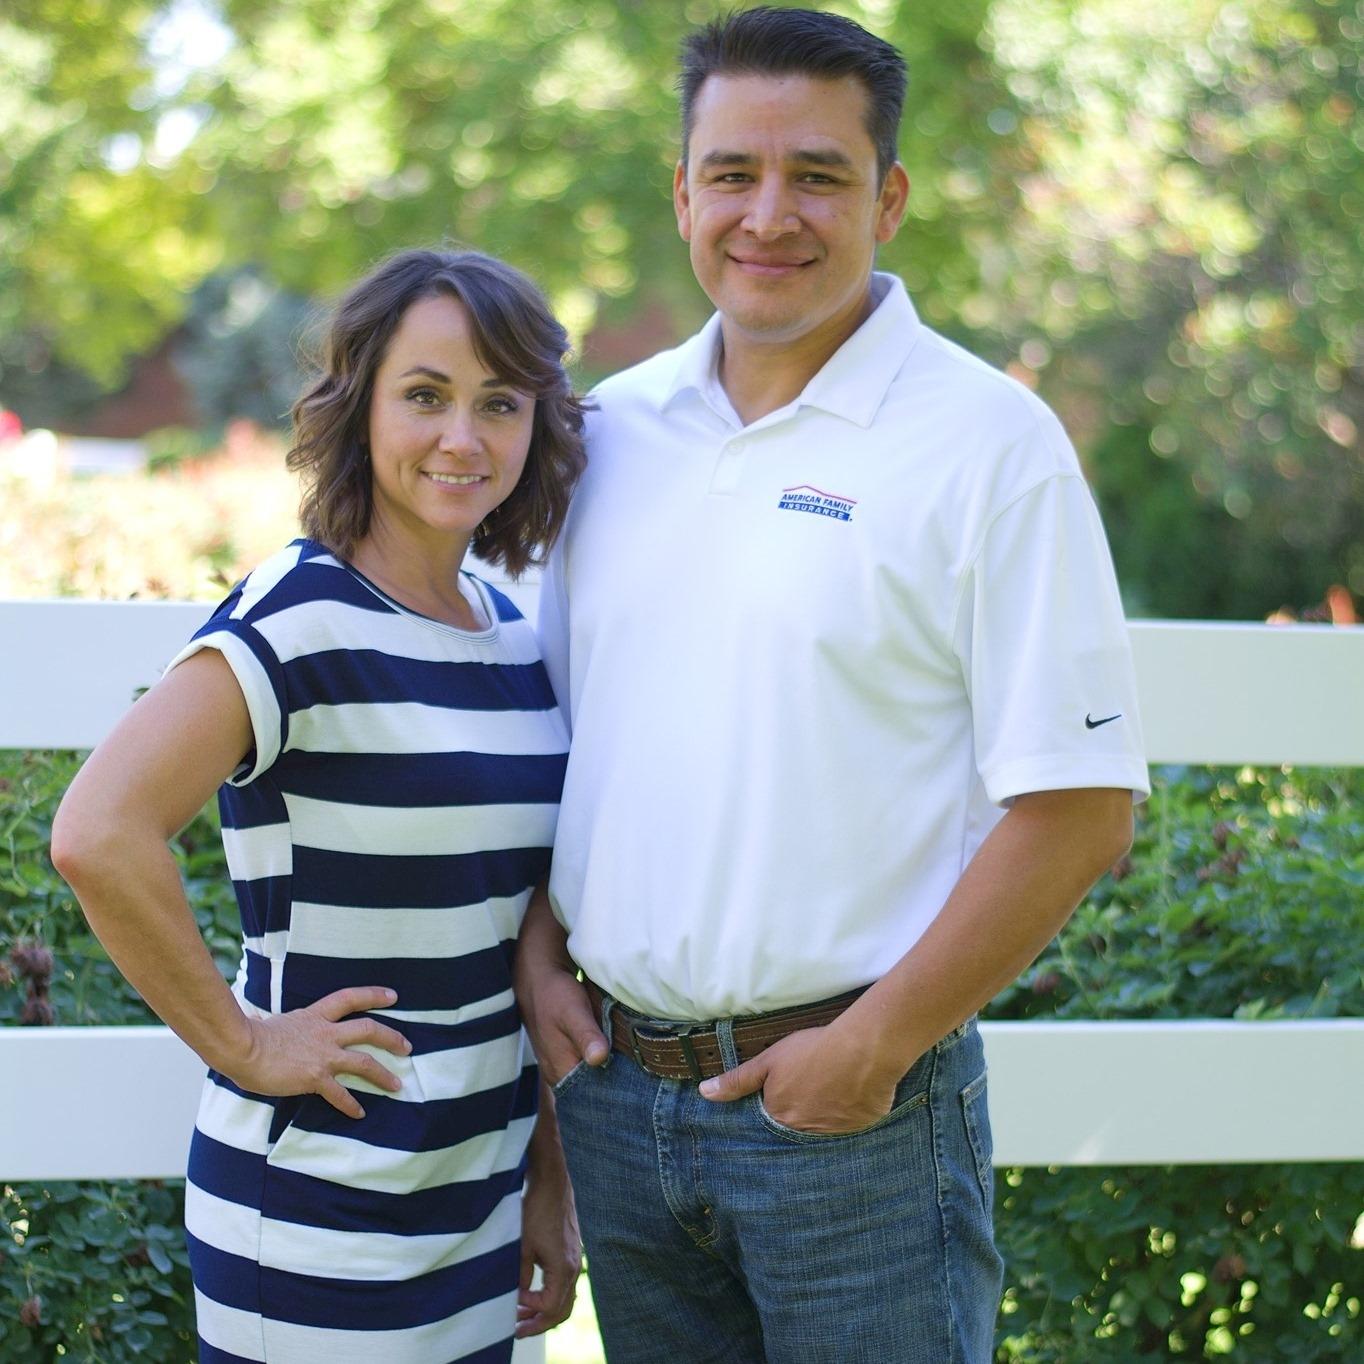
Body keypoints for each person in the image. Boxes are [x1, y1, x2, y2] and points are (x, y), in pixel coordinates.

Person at [515, 8, 1149, 1363]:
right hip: (620, 1103)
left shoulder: (988, 444)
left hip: (856, 1118)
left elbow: (1082, 807)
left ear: (891, 197)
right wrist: (534, 954)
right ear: (682, 191)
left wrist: (872, 1048)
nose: (770, 215)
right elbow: (557, 742)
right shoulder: (603, 435)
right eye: (733, 174)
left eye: (819, 174)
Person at [52, 248, 587, 1364]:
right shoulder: (300, 614)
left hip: (474, 1204)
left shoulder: (508, 631)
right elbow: (99, 832)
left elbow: (517, 940)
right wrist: (244, 1043)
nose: (462, 436)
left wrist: (549, 1178)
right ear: (360, 406)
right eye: (426, 395)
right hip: (318, 1209)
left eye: (500, 402)